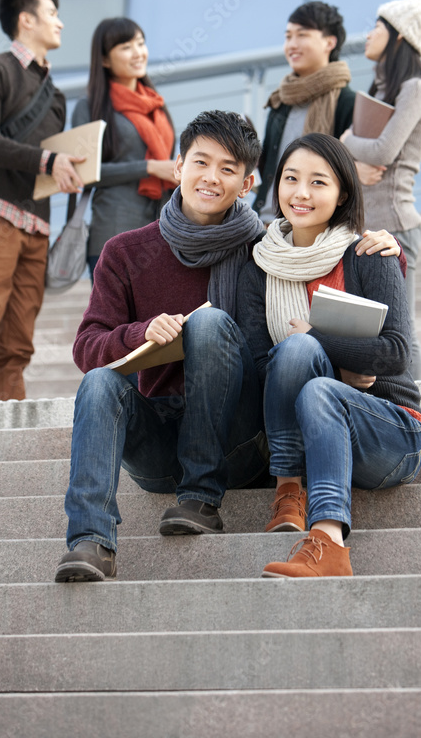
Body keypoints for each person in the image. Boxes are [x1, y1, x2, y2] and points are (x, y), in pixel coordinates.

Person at [55, 110, 270, 583]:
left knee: (210, 322)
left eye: (228, 168)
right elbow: (86, 347)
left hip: (238, 437)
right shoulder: (126, 252)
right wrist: (140, 332)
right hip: (158, 442)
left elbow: (334, 249)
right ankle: (91, 543)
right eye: (201, 162)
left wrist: (384, 247)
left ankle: (202, 498)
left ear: (248, 182)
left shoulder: (266, 248)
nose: (211, 178)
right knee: (97, 383)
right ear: (177, 168)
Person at [237, 133, 421, 579]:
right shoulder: (258, 268)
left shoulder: (369, 253)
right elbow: (261, 366)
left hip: (389, 430)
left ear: (342, 192)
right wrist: (334, 362)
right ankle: (288, 491)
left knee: (314, 368)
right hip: (312, 432)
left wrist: (320, 341)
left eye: (318, 182)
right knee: (301, 355)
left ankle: (327, 542)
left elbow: (397, 353)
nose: (301, 193)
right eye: (290, 179)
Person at [0, 0, 85, 404]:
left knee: (19, 344)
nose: (60, 22)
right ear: (26, 20)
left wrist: (67, 170)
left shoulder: (57, 97)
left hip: (37, 226)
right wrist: (48, 162)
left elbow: (43, 161)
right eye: (52, 14)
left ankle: (5, 425)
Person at [341, 0, 421, 380]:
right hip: (366, 225)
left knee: (403, 331)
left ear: (400, 35)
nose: (368, 34)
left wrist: (346, 139)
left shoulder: (415, 89)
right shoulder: (383, 90)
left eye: (377, 27)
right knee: (370, 331)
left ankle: (410, 409)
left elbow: (384, 150)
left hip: (395, 225)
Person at [72, 17, 176, 279]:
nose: (138, 53)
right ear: (105, 60)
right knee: (115, 318)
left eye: (140, 43)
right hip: (113, 228)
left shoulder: (156, 106)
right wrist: (149, 167)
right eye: (126, 47)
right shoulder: (90, 107)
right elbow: (84, 171)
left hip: (161, 228)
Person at [253, 0, 355, 224]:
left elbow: (353, 175)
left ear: (329, 42)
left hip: (315, 230)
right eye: (288, 37)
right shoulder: (281, 100)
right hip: (266, 222)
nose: (292, 44)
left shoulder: (348, 103)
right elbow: (272, 166)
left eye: (302, 35)